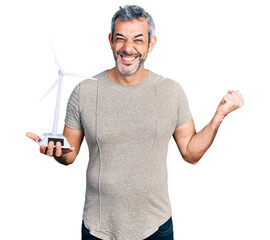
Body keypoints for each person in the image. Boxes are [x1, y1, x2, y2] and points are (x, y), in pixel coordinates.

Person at [26, 5, 244, 240]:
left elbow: (191, 153)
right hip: (98, 229)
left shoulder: (171, 91)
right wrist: (56, 151)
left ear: (151, 44)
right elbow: (69, 155)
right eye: (120, 39)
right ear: (110, 41)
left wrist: (219, 116)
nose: (128, 48)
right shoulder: (84, 91)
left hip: (155, 228)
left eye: (138, 40)